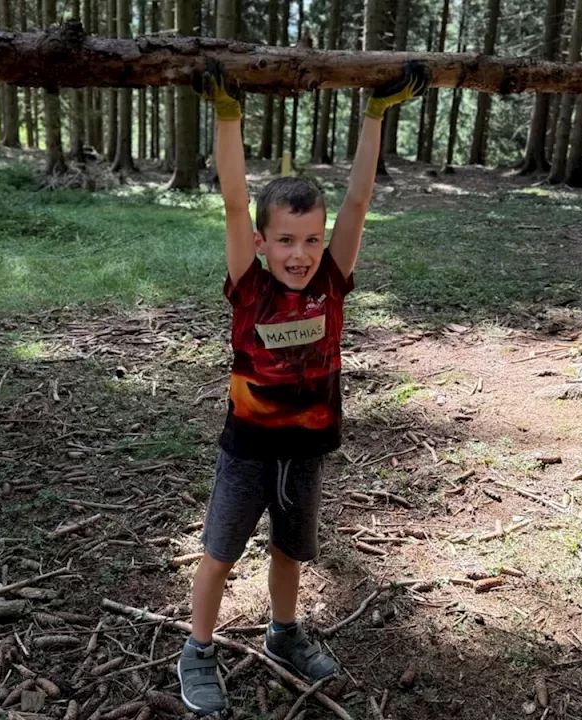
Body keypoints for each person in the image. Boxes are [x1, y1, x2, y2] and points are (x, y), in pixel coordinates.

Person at [176, 60, 430, 716]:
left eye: (311, 239)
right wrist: (228, 117)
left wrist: (376, 114)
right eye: (286, 240)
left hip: (307, 448)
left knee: (291, 549)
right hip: (248, 449)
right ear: (261, 242)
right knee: (220, 554)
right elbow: (234, 198)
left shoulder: (332, 280)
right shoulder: (251, 284)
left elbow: (358, 201)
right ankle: (197, 650)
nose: (301, 252)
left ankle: (284, 634)